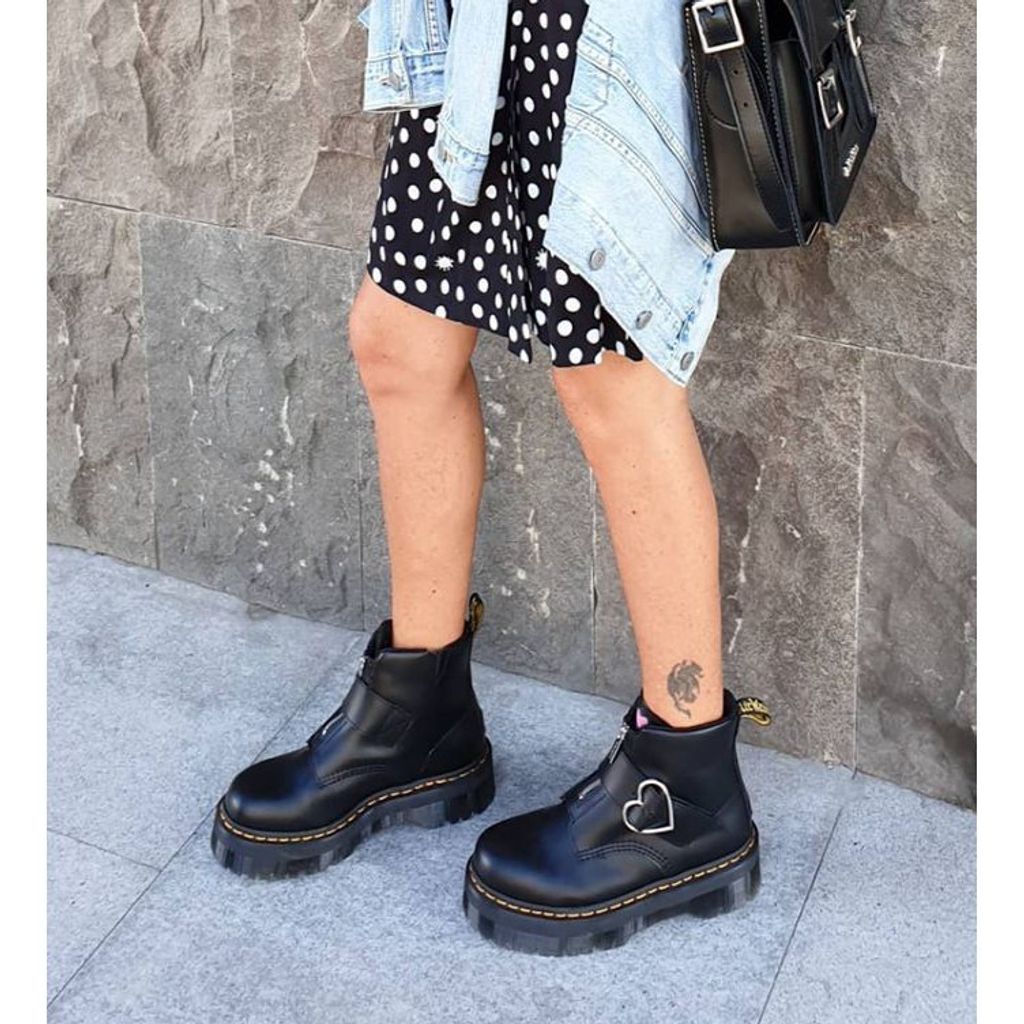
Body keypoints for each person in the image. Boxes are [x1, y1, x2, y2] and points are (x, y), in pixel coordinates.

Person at [211, 0, 770, 956]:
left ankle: (687, 785)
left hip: (600, 25)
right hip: (478, 27)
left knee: (614, 376)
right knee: (402, 336)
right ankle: (417, 713)